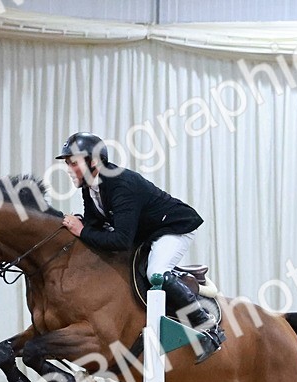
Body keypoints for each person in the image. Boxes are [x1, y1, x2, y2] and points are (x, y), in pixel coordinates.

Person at [55, 131, 225, 363]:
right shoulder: (90, 186)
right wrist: (81, 228)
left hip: (175, 226)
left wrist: (82, 230)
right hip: (146, 232)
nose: (68, 169)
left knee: (156, 273)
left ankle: (208, 328)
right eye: (67, 163)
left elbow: (120, 241)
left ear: (93, 162)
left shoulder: (121, 184)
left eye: (73, 163)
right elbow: (95, 224)